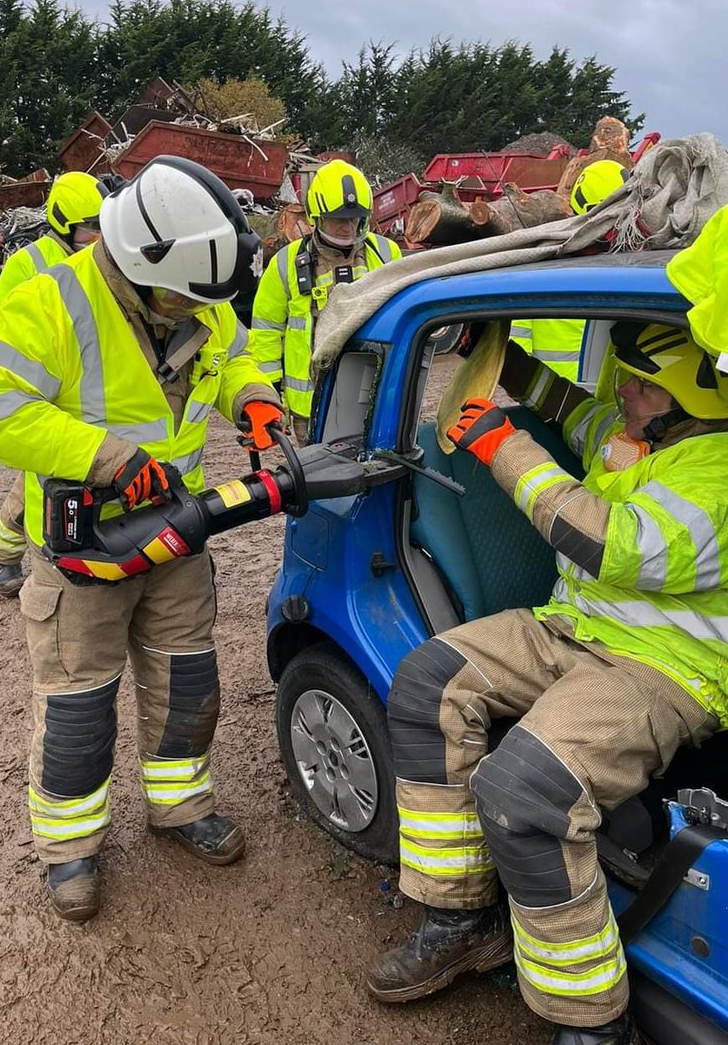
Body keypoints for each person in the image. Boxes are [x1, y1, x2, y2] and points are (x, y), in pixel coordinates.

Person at [368, 321, 728, 1045]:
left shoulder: (716, 474)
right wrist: (485, 345)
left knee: (524, 791)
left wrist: (503, 445)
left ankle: (594, 1022)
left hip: (665, 667)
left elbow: (609, 542)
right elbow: (567, 405)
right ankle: (462, 918)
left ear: (694, 395)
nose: (622, 390)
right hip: (573, 628)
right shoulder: (647, 432)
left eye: (642, 381)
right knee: (427, 682)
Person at [0, 156, 284, 921]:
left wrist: (254, 396)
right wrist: (106, 457)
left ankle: (180, 807)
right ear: (139, 262)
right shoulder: (51, 303)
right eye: (181, 297)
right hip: (84, 551)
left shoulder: (196, 299)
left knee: (187, 680)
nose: (193, 310)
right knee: (78, 703)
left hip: (178, 540)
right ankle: (70, 851)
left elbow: (233, 354)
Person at [0, 171, 109, 596]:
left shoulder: (103, 260)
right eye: (88, 227)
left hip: (88, 389)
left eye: (100, 225)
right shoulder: (28, 263)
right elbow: (1, 334)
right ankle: (3, 557)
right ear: (63, 222)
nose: (96, 236)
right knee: (37, 481)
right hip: (45, 393)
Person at [250, 160, 401, 443]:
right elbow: (265, 331)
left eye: (354, 219)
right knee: (319, 479)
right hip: (310, 406)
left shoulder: (385, 253)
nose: (347, 228)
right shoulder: (287, 263)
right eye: (338, 219)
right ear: (316, 218)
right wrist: (267, 393)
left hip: (373, 397)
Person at [510, 160, 630, 382]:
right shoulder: (625, 274)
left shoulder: (542, 270)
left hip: (548, 394)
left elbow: (518, 336)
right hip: (595, 398)